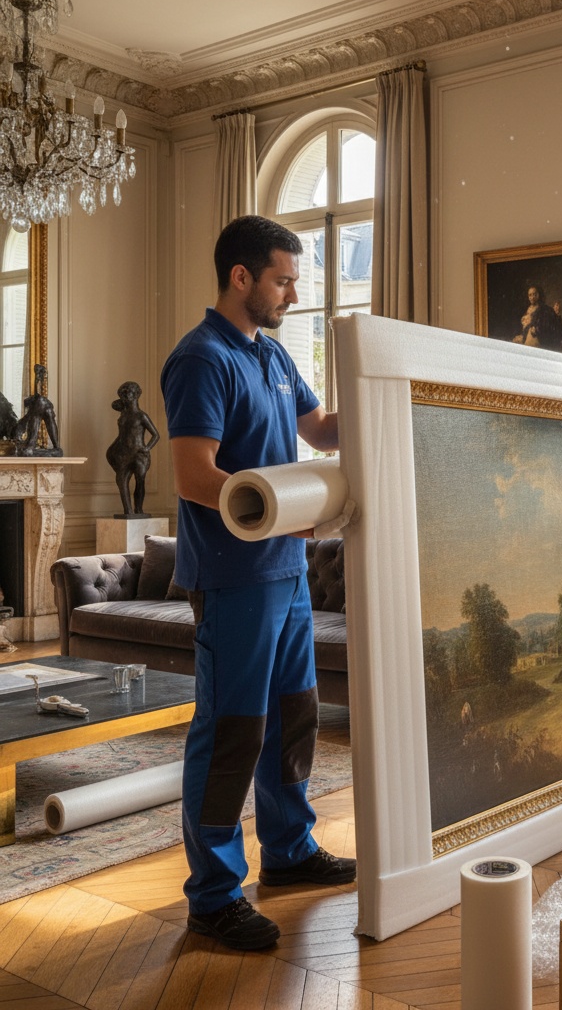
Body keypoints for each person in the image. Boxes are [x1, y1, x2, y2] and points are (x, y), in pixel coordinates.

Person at [161, 215, 356, 951]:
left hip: (288, 573)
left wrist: (396, 397)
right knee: (232, 734)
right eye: (282, 278)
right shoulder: (200, 359)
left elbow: (321, 427)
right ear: (241, 277)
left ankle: (290, 850)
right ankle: (212, 897)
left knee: (294, 719)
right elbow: (192, 475)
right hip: (235, 578)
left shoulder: (272, 354)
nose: (293, 292)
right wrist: (276, 515)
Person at [106, 380, 160, 516]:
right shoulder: (123, 414)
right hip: (123, 453)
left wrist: (147, 448)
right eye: (122, 394)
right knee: (121, 481)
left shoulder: (141, 416)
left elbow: (155, 435)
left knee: (140, 481)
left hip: (138, 453)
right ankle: (128, 511)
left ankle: (138, 509)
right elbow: (114, 405)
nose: (125, 396)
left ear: (136, 394)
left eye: (127, 393)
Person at [512, 285, 562, 350]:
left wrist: (557, 314)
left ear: (539, 295)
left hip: (534, 338)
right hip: (524, 336)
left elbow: (549, 325)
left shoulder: (544, 309)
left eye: (535, 294)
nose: (532, 297)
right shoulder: (526, 309)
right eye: (530, 295)